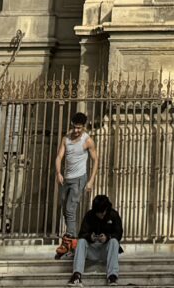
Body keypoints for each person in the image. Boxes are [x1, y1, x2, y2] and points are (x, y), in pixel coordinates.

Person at [54, 112, 98, 261]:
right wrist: (59, 172)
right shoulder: (66, 139)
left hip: (79, 179)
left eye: (79, 128)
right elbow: (59, 156)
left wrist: (91, 180)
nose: (77, 130)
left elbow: (95, 160)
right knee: (65, 210)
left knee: (70, 209)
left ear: (84, 127)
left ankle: (71, 242)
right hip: (66, 179)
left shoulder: (87, 141)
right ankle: (71, 240)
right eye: (74, 127)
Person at [71, 194, 123, 284]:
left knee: (114, 242)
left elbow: (118, 234)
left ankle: (112, 276)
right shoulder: (89, 215)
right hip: (92, 249)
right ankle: (76, 275)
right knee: (81, 241)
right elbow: (82, 234)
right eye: (99, 213)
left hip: (106, 250)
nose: (102, 215)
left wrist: (108, 237)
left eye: (103, 212)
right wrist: (90, 237)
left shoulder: (113, 215)